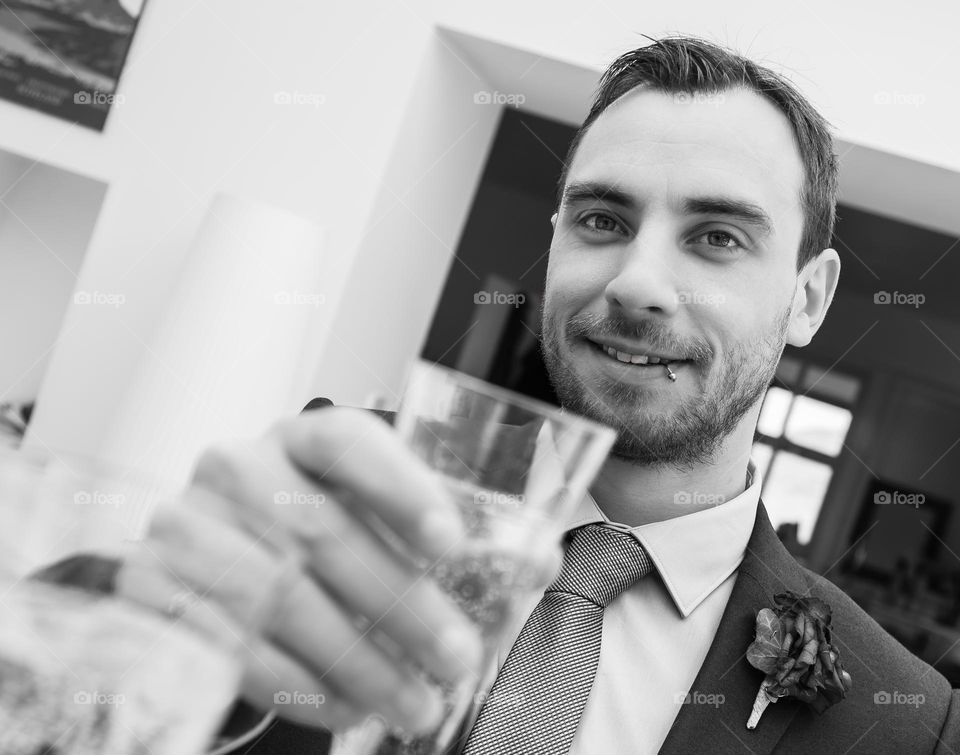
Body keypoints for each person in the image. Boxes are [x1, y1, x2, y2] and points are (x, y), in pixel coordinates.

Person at [115, 35, 960, 753]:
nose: (637, 283)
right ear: (555, 241)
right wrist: (154, 615)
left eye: (716, 237)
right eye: (602, 220)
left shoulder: (907, 722)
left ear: (808, 299)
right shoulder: (341, 488)